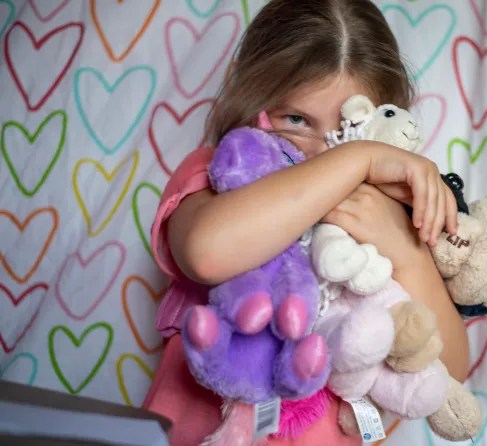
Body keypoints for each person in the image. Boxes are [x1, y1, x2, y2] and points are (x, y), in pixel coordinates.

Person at [142, 1, 470, 444]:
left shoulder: (386, 213)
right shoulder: (218, 174)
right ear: (247, 89)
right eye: (295, 120)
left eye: (349, 128)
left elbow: (450, 369)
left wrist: (404, 246)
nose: (321, 152)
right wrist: (356, 157)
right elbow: (206, 252)